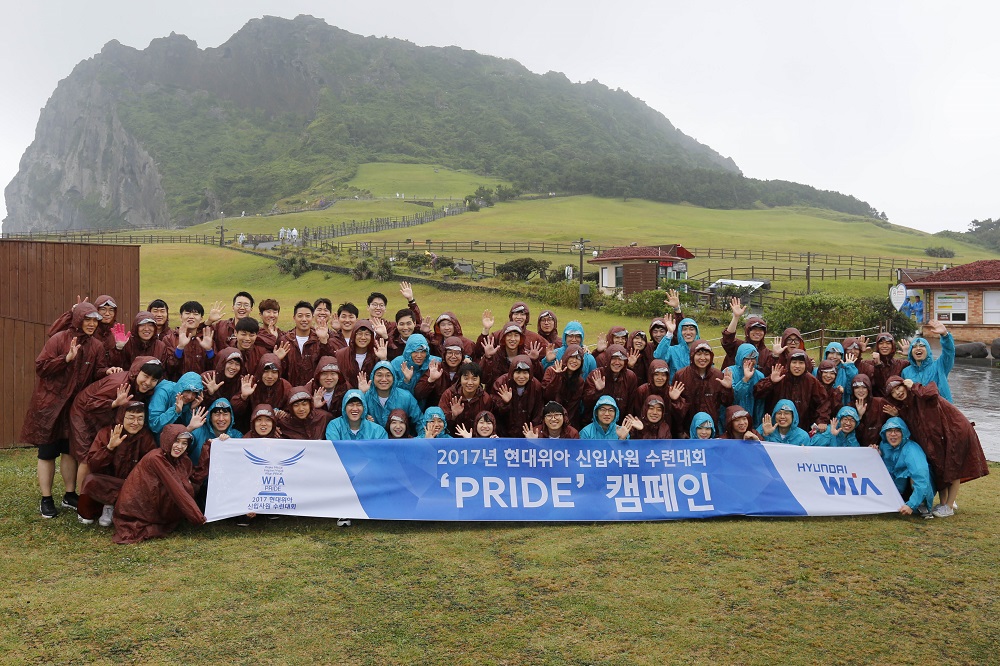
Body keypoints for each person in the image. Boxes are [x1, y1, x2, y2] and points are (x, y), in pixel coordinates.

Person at [22, 302, 109, 517]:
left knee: (70, 450)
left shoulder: (97, 345)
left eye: (95, 320)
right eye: (87, 319)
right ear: (78, 319)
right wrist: (66, 359)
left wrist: (107, 372)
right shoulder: (59, 339)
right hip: (51, 405)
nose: (92, 324)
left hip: (75, 408)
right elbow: (41, 367)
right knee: (47, 452)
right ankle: (46, 498)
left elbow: (97, 372)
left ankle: (70, 494)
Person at [884, 376, 988, 516]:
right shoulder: (909, 406)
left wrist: (913, 386)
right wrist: (899, 414)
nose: (897, 393)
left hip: (955, 431)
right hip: (940, 437)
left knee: (953, 468)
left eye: (899, 388)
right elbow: (914, 423)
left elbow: (933, 392)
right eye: (893, 392)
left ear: (905, 385)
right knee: (939, 468)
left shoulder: (923, 392)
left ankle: (949, 506)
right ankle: (943, 503)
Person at [112, 425, 211, 544]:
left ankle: (167, 519)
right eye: (176, 441)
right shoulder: (156, 458)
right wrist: (197, 517)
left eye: (184, 443)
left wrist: (208, 447)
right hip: (138, 508)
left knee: (190, 486)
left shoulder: (182, 459)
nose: (180, 446)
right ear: (168, 440)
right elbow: (176, 489)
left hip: (154, 502)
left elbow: (196, 478)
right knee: (184, 487)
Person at [77, 401, 158, 527]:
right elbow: (93, 465)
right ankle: (107, 506)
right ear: (121, 417)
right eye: (131, 418)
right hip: (108, 482)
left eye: (140, 419)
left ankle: (117, 508)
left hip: (132, 484)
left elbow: (151, 467)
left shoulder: (146, 437)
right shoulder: (106, 433)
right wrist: (109, 448)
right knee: (91, 480)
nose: (135, 422)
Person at [671, 341, 733, 435]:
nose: (702, 358)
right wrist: (680, 431)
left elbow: (727, 402)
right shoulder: (681, 375)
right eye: (699, 354)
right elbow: (676, 409)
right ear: (692, 356)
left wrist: (727, 389)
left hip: (710, 429)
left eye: (706, 354)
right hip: (687, 430)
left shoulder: (718, 376)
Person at [879, 417, 935, 518]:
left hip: (915, 487)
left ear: (903, 433)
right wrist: (875, 454)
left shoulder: (912, 450)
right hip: (898, 487)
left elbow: (921, 479)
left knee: (914, 476)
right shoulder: (883, 446)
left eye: (897, 431)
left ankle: (922, 505)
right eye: (889, 431)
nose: (893, 434)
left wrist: (911, 505)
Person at [361, 361, 422, 434]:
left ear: (394, 378)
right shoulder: (366, 397)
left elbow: (420, 421)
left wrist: (421, 438)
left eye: (388, 375)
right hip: (374, 440)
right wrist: (364, 418)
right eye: (379, 375)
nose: (384, 379)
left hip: (399, 440)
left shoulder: (406, 397)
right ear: (373, 377)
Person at [901, 319, 955, 402]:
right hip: (919, 409)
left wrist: (945, 335)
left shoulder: (940, 366)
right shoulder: (906, 372)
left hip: (940, 408)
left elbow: (949, 352)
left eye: (922, 346)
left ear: (928, 350)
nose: (918, 348)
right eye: (914, 347)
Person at [283, 301, 333, 387]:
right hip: (290, 390)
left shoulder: (318, 339)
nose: (304, 319)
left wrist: (324, 341)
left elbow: (329, 363)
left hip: (315, 390)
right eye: (300, 316)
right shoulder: (285, 340)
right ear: (294, 318)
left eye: (307, 316)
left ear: (312, 317)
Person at [493, 355, 544, 437]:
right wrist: (505, 403)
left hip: (527, 434)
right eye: (518, 372)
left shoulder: (536, 386)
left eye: (525, 373)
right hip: (504, 434)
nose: (521, 377)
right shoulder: (501, 383)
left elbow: (538, 414)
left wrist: (533, 432)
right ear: (512, 372)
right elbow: (494, 413)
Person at [438, 362, 494, 437]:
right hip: (452, 438)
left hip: (476, 439)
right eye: (466, 378)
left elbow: (490, 422)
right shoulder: (449, 394)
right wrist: (453, 416)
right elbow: (440, 422)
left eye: (474, 379)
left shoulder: (485, 398)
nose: (470, 383)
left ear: (480, 380)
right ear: (460, 379)